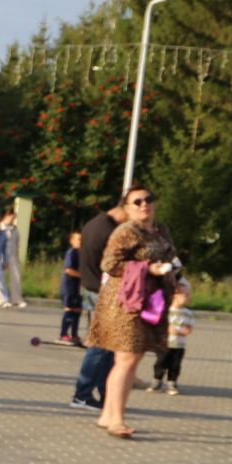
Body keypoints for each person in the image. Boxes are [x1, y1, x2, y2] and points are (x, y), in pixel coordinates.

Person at [88, 188, 179, 439]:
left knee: (132, 360)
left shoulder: (160, 230)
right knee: (126, 360)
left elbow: (172, 257)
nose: (143, 205)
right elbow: (109, 264)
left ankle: (107, 414)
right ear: (126, 207)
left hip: (151, 302)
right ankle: (116, 419)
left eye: (148, 199)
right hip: (125, 303)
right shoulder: (125, 231)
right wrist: (149, 268)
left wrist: (176, 277)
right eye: (136, 202)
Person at [71, 201, 127, 409]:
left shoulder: (95, 224)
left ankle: (104, 394)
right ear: (124, 209)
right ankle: (83, 393)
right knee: (101, 346)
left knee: (107, 347)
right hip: (102, 293)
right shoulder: (108, 231)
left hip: (94, 289)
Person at [153, 283, 194, 394]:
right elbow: (161, 324)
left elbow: (190, 327)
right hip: (166, 343)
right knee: (161, 362)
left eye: (189, 295)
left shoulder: (188, 313)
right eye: (185, 295)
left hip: (179, 345)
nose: (188, 297)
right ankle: (157, 380)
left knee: (175, 365)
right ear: (175, 296)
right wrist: (167, 329)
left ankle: (172, 382)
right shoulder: (167, 311)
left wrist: (186, 331)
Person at [0, 210, 27, 308]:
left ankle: (17, 299)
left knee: (16, 277)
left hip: (13, 255)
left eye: (14, 218)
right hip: (1, 255)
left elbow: (17, 243)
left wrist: (18, 256)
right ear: (6, 216)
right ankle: (0, 299)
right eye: (11, 217)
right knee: (0, 277)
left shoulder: (15, 229)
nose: (13, 219)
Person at [59, 230, 84, 343]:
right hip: (69, 286)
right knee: (70, 309)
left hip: (78, 287)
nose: (81, 241)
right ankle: (63, 334)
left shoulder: (83, 253)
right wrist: (83, 276)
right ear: (72, 241)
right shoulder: (72, 252)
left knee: (78, 310)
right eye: (78, 239)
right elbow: (68, 270)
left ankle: (74, 334)